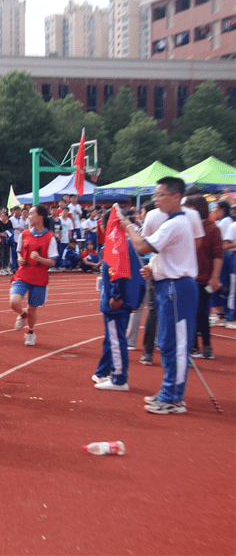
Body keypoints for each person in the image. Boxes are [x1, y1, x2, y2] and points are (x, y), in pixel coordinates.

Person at [121, 177, 198, 414]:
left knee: (175, 343)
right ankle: (169, 391)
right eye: (154, 196)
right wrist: (153, 268)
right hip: (169, 286)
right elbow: (164, 253)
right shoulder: (173, 221)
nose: (156, 201)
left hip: (176, 288)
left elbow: (143, 246)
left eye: (160, 195)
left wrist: (129, 227)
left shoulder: (176, 223)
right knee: (166, 341)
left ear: (176, 197)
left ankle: (173, 397)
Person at [92, 208, 145, 391]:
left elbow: (117, 273)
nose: (99, 225)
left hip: (117, 302)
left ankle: (119, 378)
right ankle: (103, 371)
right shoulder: (130, 244)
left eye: (102, 222)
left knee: (116, 338)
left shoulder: (114, 244)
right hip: (127, 299)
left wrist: (116, 295)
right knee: (111, 337)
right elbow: (140, 274)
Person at [9, 205, 58, 346]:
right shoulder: (24, 234)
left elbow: (52, 262)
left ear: (40, 217)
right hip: (22, 274)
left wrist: (40, 259)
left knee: (32, 309)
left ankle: (30, 332)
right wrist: (19, 258)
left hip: (39, 278)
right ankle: (22, 314)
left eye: (30, 214)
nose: (28, 216)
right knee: (14, 302)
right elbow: (19, 251)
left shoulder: (50, 237)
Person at [183, 194, 222, 360]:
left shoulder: (212, 228)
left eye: (188, 207)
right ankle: (194, 347)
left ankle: (205, 347)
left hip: (203, 278)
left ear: (196, 208)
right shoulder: (186, 226)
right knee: (192, 314)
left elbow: (218, 255)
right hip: (188, 277)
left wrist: (215, 277)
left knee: (200, 314)